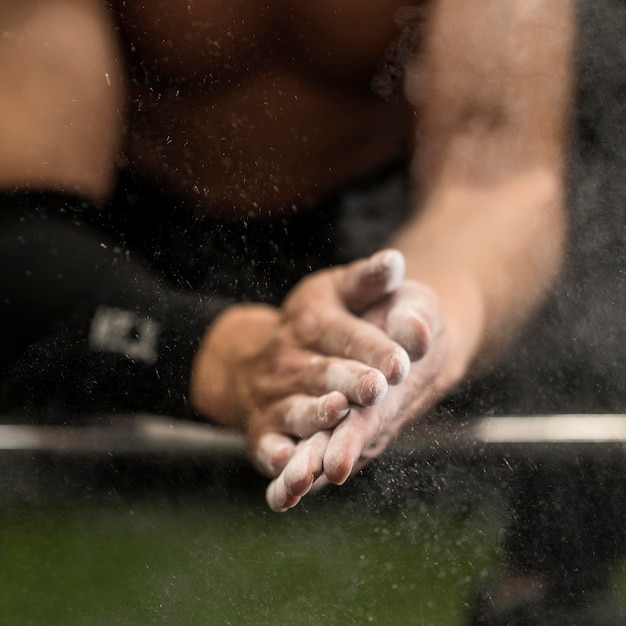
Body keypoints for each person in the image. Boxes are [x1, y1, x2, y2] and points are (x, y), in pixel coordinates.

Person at [3, 1, 622, 624]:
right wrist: (226, 354)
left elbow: (495, 180)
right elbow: (20, 220)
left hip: (380, 232)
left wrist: (418, 321)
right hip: (126, 246)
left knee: (591, 385)